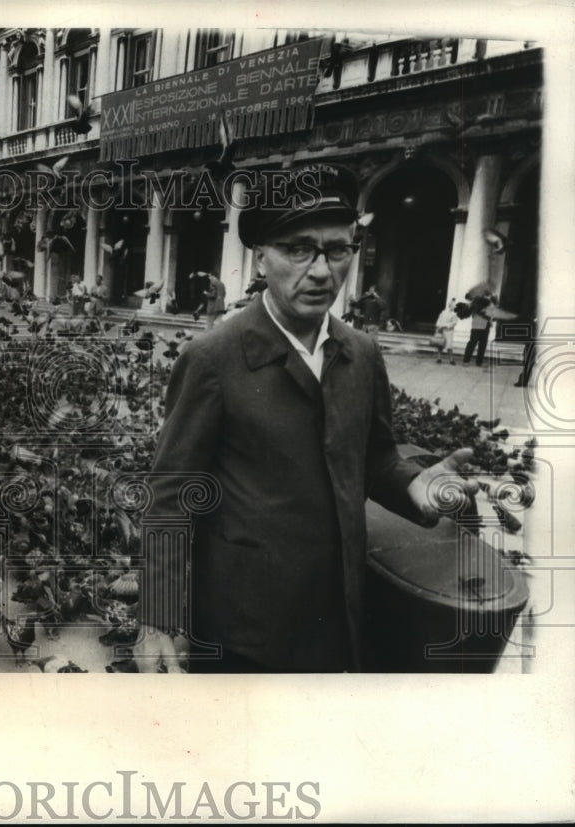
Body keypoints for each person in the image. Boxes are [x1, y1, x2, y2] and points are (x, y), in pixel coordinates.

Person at [134, 164, 477, 674]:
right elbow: (169, 497)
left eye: (338, 250)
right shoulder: (214, 359)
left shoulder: (361, 352)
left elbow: (375, 457)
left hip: (340, 610)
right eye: (299, 249)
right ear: (261, 257)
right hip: (244, 625)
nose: (321, 271)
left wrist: (416, 486)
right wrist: (159, 618)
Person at [462, 283, 497, 367]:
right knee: (472, 343)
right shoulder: (476, 301)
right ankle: (466, 361)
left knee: (482, 344)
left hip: (485, 325)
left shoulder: (488, 302)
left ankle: (479, 362)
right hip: (477, 324)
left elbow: (493, 310)